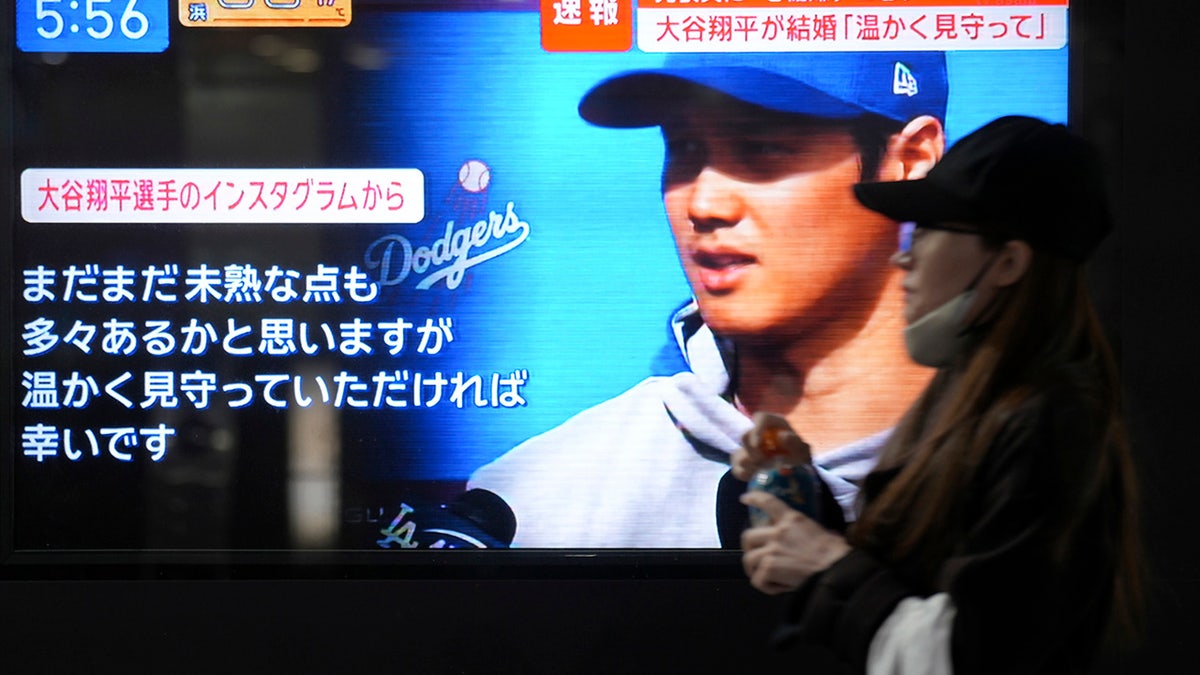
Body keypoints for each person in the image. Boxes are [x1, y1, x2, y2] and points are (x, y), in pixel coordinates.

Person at [468, 51, 949, 547]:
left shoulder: (1025, 461)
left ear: (910, 160)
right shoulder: (536, 502)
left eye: (762, 147)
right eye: (685, 146)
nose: (703, 204)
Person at [734, 116, 1143, 673]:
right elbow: (905, 585)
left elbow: (970, 655)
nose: (903, 258)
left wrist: (828, 567)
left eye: (925, 231)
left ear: (1008, 262)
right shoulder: (966, 397)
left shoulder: (1047, 420)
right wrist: (801, 489)